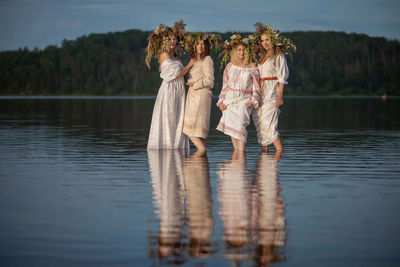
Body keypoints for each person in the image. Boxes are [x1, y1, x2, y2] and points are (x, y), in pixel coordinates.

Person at [145, 20, 194, 150]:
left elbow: (183, 75)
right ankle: (166, 147)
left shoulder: (176, 57)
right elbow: (176, 74)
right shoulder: (164, 55)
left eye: (174, 39)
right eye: (170, 39)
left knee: (178, 118)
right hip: (169, 91)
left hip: (179, 91)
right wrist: (190, 63)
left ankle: (176, 149)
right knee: (169, 118)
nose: (173, 41)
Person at [251, 23, 296, 154]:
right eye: (262, 41)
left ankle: (278, 155)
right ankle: (264, 161)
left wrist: (280, 96)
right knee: (261, 127)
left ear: (273, 40)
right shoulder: (262, 57)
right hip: (260, 94)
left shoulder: (279, 56)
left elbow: (282, 78)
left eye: (267, 40)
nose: (265, 43)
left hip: (271, 93)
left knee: (269, 126)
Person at [216, 34, 261, 151]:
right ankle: (237, 159)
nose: (242, 53)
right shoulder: (229, 66)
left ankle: (241, 155)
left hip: (244, 100)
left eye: (244, 50)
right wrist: (221, 101)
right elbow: (225, 86)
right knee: (232, 128)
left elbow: (256, 87)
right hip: (230, 100)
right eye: (239, 50)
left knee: (240, 125)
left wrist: (253, 101)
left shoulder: (252, 67)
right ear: (235, 51)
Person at [183, 33, 220, 152]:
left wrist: (194, 84)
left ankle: (201, 151)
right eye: (198, 44)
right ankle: (201, 166)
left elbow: (210, 80)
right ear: (193, 46)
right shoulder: (194, 61)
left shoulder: (207, 59)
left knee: (187, 129)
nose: (200, 46)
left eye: (203, 44)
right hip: (193, 96)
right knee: (199, 132)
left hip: (201, 94)